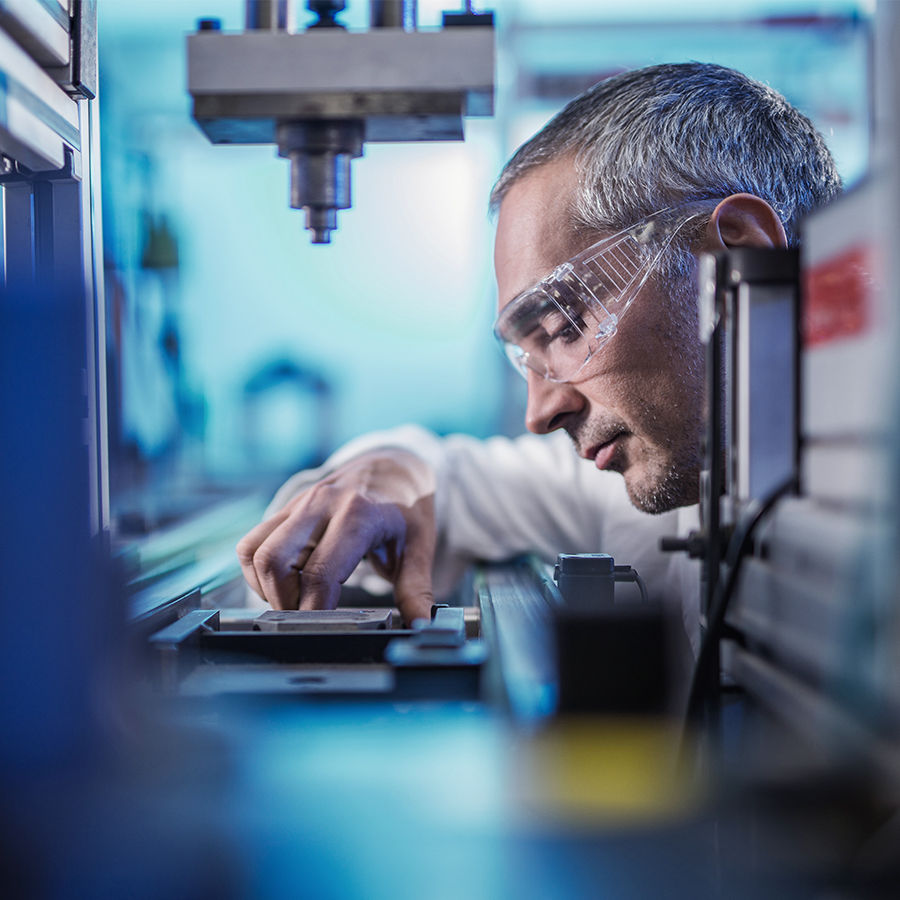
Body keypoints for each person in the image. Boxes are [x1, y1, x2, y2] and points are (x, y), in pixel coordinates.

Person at [236, 62, 841, 649]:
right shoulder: (668, 476)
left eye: (564, 324)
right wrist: (392, 470)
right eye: (527, 356)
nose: (539, 413)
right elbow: (456, 481)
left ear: (736, 256)